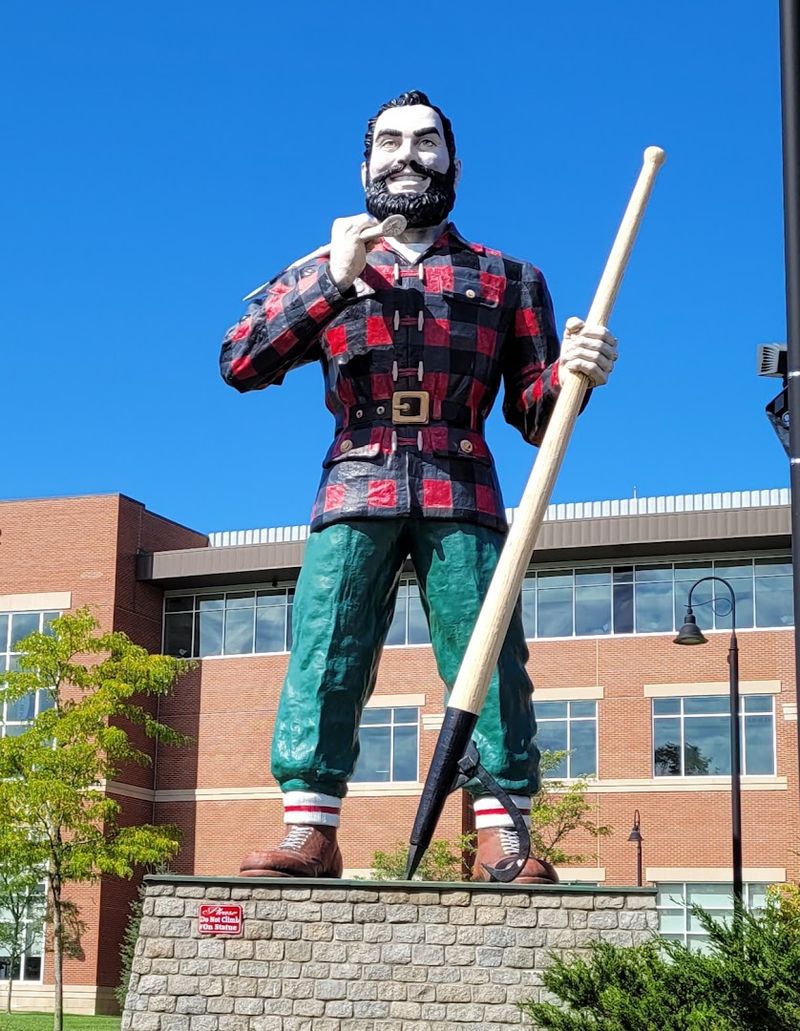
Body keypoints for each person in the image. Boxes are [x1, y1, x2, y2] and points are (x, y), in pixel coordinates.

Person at [220, 90, 617, 882]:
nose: (408, 155)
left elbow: (535, 417)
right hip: (354, 481)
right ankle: (310, 830)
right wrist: (333, 282)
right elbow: (241, 362)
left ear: (454, 166)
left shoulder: (510, 278)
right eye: (391, 142)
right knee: (326, 648)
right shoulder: (317, 268)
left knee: (488, 655)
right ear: (365, 166)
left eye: (426, 142)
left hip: (462, 484)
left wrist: (575, 376)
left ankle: (504, 834)